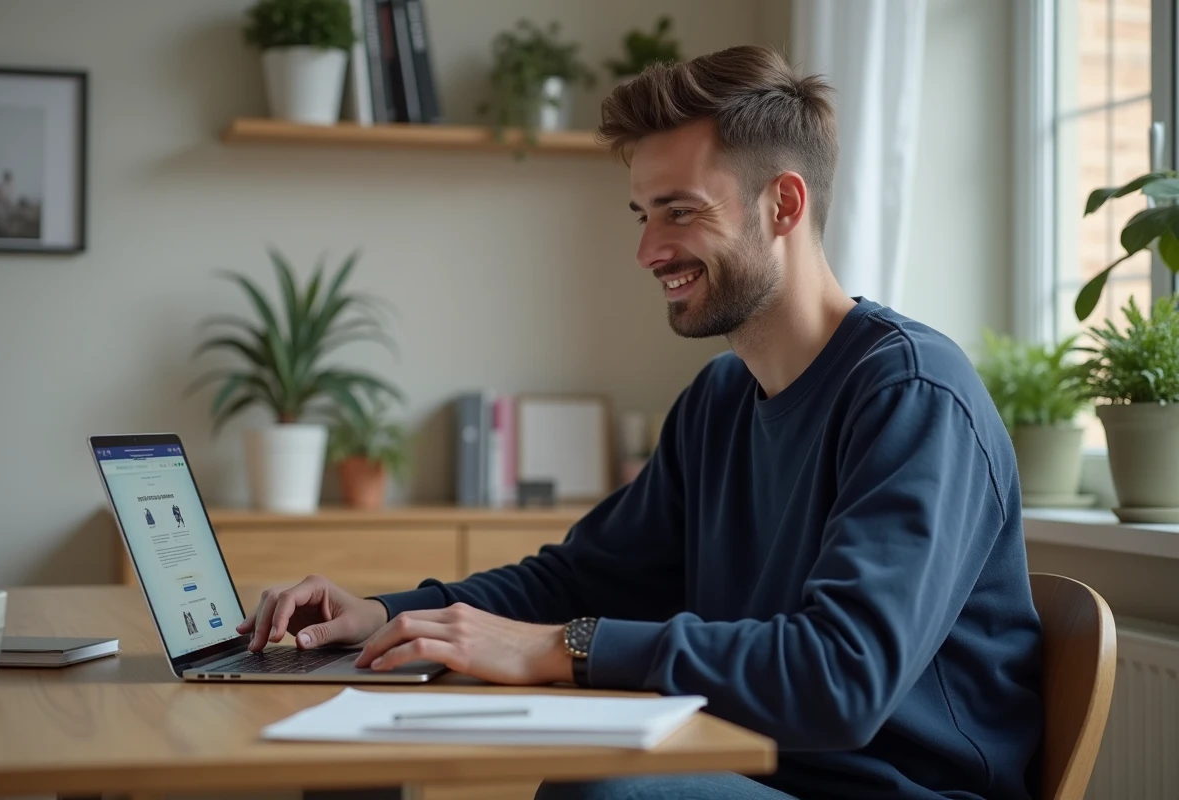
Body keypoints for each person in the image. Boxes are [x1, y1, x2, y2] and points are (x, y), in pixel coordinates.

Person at [239, 46, 1042, 800]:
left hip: (897, 791)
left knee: (605, 790)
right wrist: (386, 615)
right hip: (754, 769)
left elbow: (840, 679)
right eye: (642, 216)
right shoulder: (721, 398)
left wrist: (564, 647)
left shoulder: (911, 395)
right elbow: (581, 577)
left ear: (784, 204)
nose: (649, 250)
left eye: (680, 212)